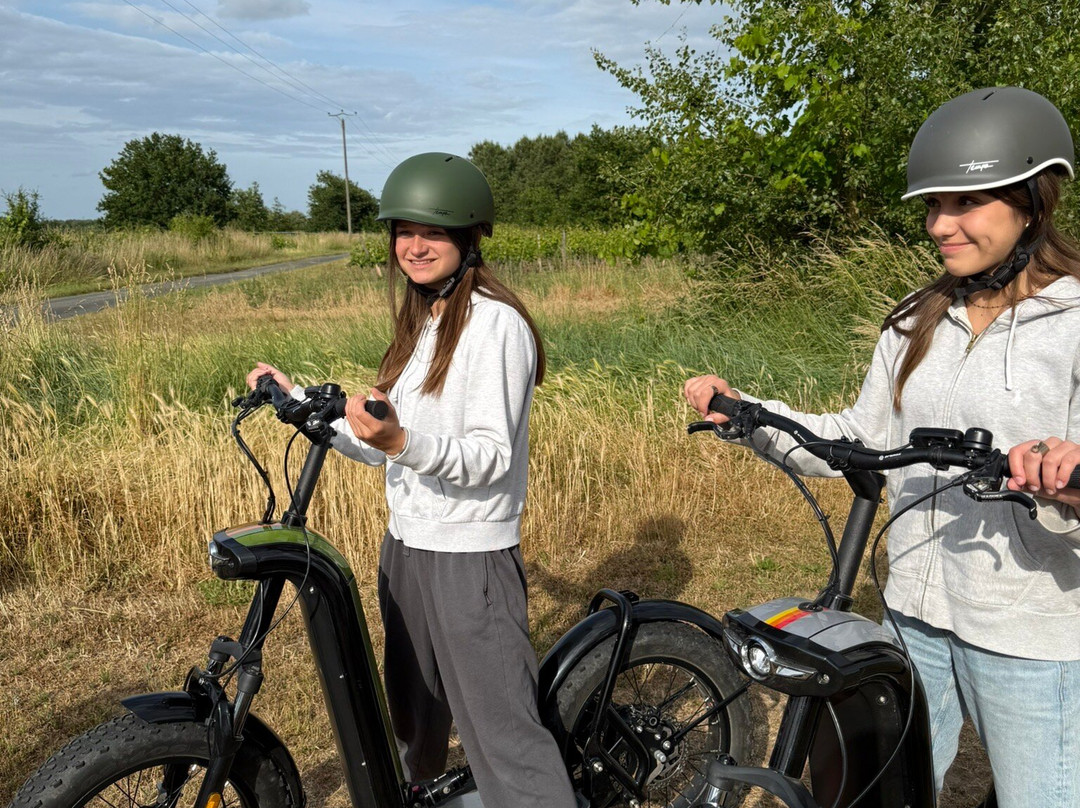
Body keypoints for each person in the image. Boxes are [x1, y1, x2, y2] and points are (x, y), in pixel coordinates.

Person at [684, 87, 1080, 807]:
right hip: (913, 615)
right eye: (933, 206)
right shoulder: (914, 322)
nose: (939, 225)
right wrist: (751, 414)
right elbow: (860, 439)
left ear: (1030, 201)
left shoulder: (1072, 323)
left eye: (964, 204)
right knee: (878, 794)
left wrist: (1065, 478)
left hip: (1028, 630)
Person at [246, 153, 577, 808]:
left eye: (434, 233)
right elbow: (383, 440)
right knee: (413, 722)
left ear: (468, 238)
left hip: (470, 558)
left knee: (503, 736)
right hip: (408, 547)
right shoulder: (422, 321)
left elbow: (488, 457)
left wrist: (400, 440)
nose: (415, 247)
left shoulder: (496, 326)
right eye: (404, 231)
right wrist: (301, 400)